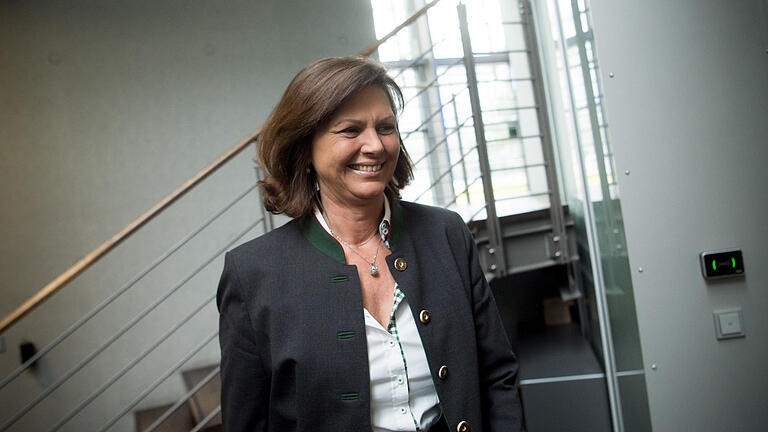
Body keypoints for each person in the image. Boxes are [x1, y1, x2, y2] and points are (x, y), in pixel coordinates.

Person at [217, 56, 522, 432]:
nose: (375, 145)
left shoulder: (446, 233)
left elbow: (497, 376)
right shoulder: (252, 274)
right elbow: (246, 422)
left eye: (386, 127)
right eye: (350, 130)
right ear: (305, 147)